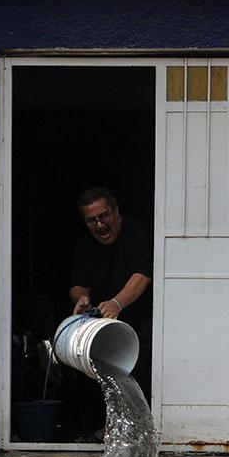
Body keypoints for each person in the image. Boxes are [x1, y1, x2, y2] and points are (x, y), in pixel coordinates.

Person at [68, 187, 153, 439]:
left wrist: (117, 303)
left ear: (116, 212)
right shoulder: (85, 246)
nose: (100, 224)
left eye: (104, 216)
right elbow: (76, 285)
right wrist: (82, 298)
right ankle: (101, 432)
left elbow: (143, 274)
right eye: (92, 220)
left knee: (141, 370)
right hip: (105, 326)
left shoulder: (137, 233)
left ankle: (140, 431)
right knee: (87, 365)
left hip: (142, 321)